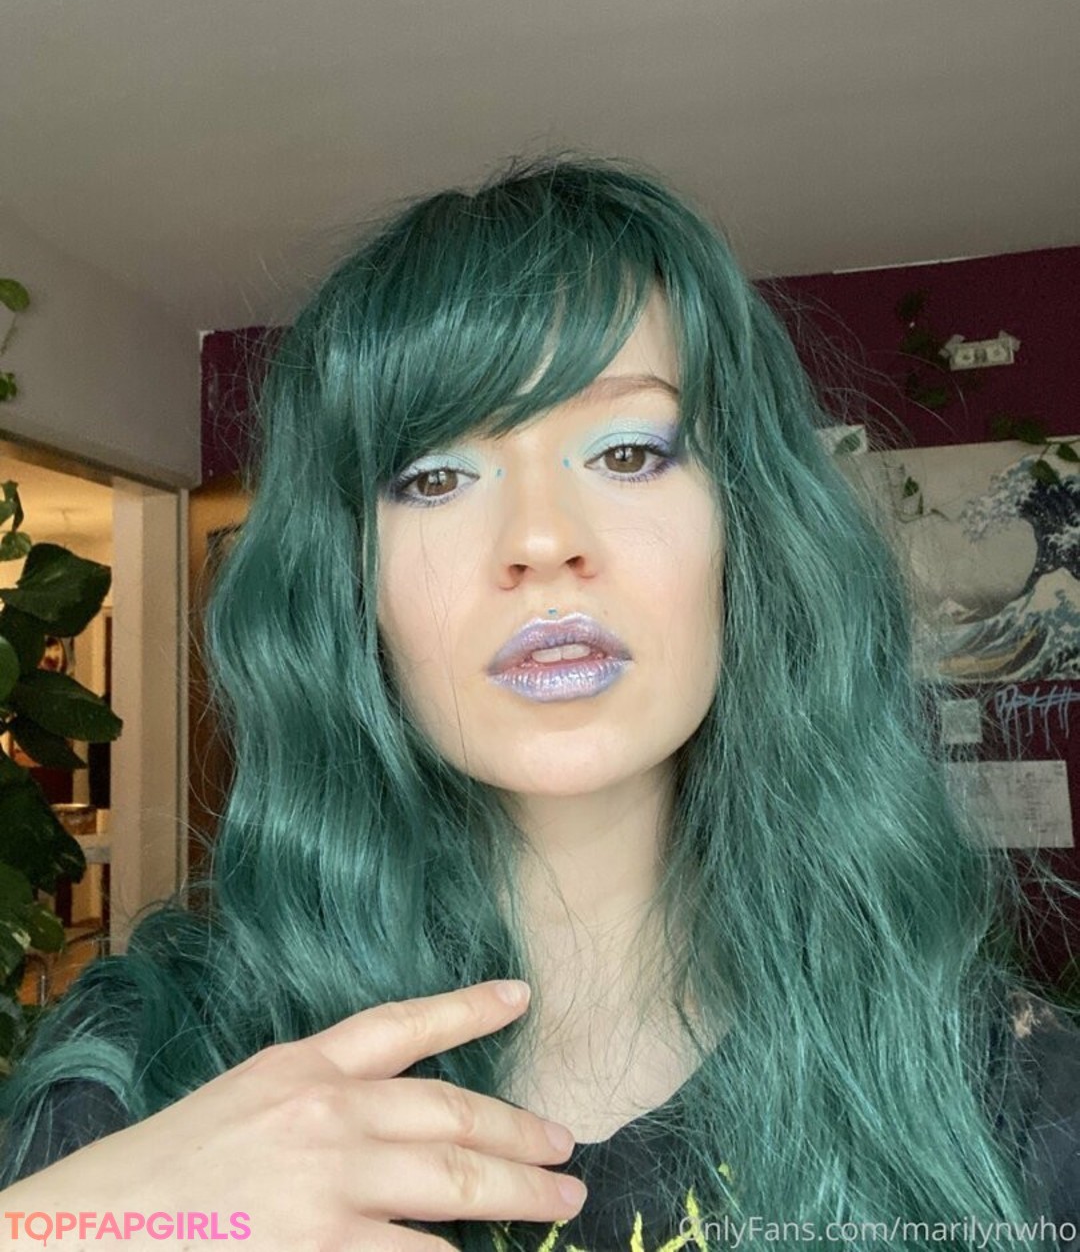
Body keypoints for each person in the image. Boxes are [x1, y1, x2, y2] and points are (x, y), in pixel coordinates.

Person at [1, 152, 1079, 1252]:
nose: (540, 539)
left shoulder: (1009, 1099)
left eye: (628, 452)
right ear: (351, 587)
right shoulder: (149, 1076)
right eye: (435, 477)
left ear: (746, 535)